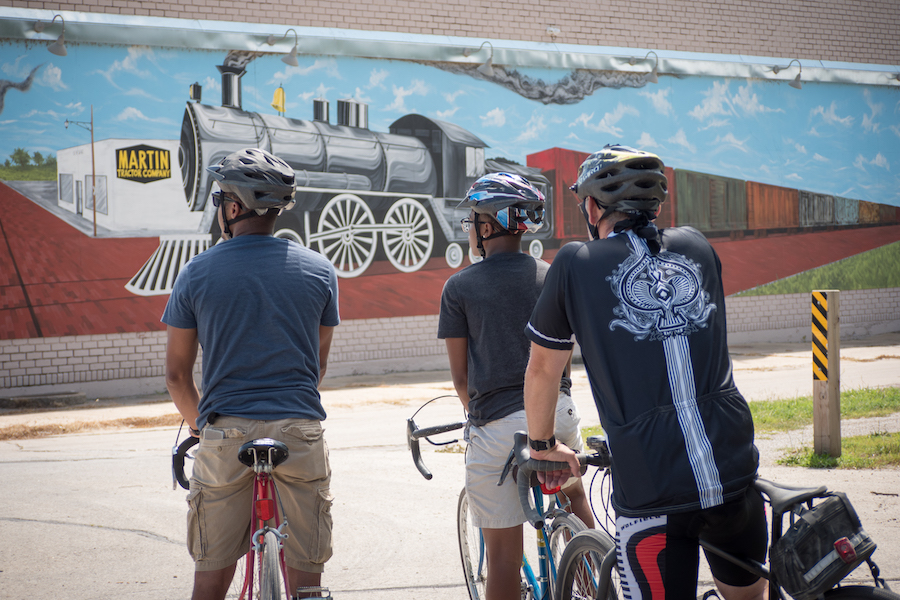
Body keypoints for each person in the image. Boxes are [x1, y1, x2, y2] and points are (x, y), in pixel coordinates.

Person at [523, 145, 767, 600]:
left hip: (652, 485)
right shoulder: (696, 244)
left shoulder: (576, 264)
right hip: (731, 465)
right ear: (656, 205)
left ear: (592, 206)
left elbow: (541, 370)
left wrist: (542, 445)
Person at [163, 148, 340, 600]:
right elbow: (315, 365)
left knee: (211, 573)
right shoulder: (320, 270)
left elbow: (178, 377)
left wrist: (205, 429)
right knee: (309, 576)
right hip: (299, 429)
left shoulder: (195, 273)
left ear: (234, 207)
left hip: (225, 434)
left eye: (220, 198)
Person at [438, 172, 594, 600]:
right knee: (574, 498)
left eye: (473, 221)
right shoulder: (553, 276)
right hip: (556, 413)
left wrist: (478, 419)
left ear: (487, 227)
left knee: (505, 560)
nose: (471, 229)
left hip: (499, 428)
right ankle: (592, 570)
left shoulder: (459, 287)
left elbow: (461, 380)